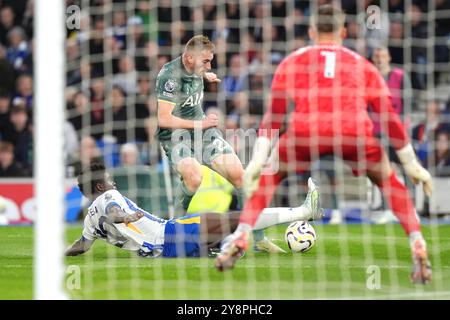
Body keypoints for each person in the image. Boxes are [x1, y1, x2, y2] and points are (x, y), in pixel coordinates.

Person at [215, 5, 433, 285]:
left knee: (267, 180)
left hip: (307, 130)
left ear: (311, 31)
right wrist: (413, 166)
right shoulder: (363, 66)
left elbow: (275, 115)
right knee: (391, 182)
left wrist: (258, 160)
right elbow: (389, 118)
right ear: (343, 32)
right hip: (353, 131)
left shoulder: (292, 61)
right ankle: (417, 242)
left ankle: (242, 234)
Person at [155, 35, 283, 252]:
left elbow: (198, 75)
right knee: (194, 178)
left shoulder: (196, 69)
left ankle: (258, 238)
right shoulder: (169, 77)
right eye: (205, 62)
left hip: (203, 133)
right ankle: (172, 236)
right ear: (187, 58)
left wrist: (207, 75)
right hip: (176, 135)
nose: (209, 64)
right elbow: (164, 119)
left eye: (210, 61)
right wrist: (201, 123)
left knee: (241, 177)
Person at [65, 162, 322, 258]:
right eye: (110, 179)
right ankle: (303, 212)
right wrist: (126, 216)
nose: (114, 182)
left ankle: (221, 248)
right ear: (101, 185)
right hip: (170, 234)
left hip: (162, 247)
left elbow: (82, 246)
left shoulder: (90, 218)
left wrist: (60, 254)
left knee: (226, 227)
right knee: (235, 218)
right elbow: (113, 212)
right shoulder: (109, 196)